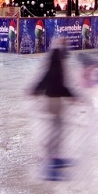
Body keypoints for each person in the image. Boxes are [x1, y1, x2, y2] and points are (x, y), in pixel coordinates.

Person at [31, 38, 76, 180]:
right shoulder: (56, 58)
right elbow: (52, 79)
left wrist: (36, 88)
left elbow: (46, 77)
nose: (68, 48)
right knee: (55, 130)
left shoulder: (57, 57)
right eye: (66, 45)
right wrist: (71, 95)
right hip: (54, 98)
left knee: (57, 129)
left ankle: (54, 158)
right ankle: (49, 165)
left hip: (55, 97)